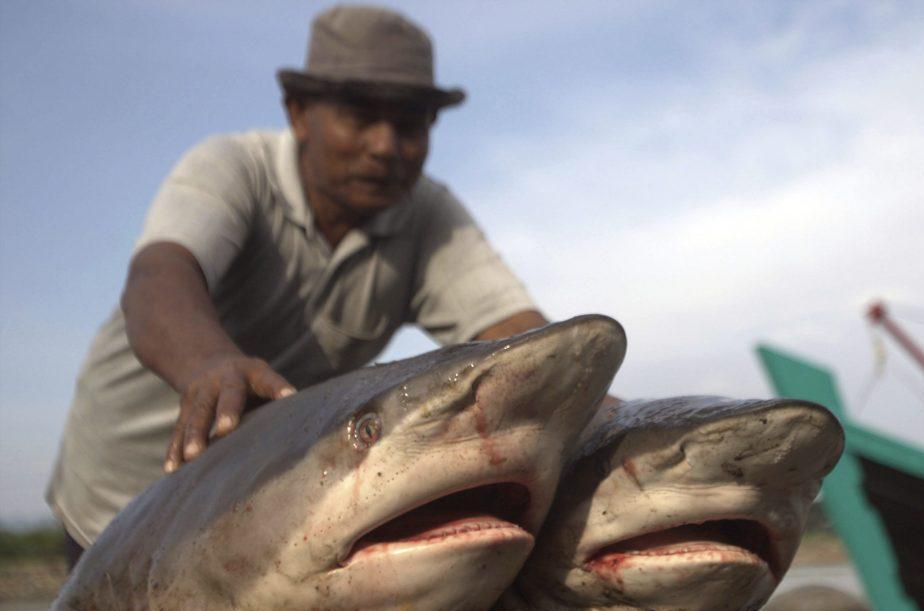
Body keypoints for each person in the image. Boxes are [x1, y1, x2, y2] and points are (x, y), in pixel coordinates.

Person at [47, 5, 550, 566]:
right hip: (117, 504)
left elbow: (517, 336)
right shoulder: (234, 168)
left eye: (409, 125)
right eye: (360, 117)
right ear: (298, 113)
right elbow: (158, 277)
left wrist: (578, 395)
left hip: (250, 510)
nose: (385, 146)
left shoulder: (428, 216)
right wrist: (209, 364)